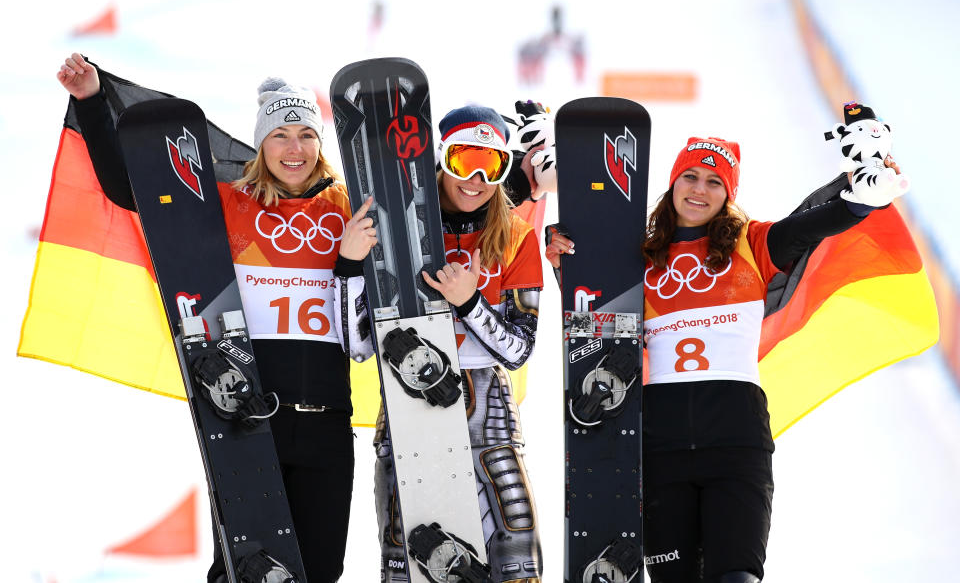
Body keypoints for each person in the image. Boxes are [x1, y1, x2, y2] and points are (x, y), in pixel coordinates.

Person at [57, 53, 376, 583]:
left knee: (321, 571)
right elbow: (130, 189)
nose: (293, 149)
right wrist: (91, 102)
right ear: (261, 143)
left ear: (320, 143)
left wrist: (535, 189)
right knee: (242, 570)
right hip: (248, 420)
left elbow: (444, 211)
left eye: (305, 135)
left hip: (326, 424)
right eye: (279, 135)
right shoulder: (230, 203)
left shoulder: (351, 208)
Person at [547, 134, 907, 583]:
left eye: (715, 182)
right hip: (662, 443)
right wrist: (568, 264)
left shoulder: (754, 244)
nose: (700, 190)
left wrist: (858, 202)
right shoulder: (638, 256)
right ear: (673, 182)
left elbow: (814, 225)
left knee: (735, 577)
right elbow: (598, 315)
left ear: (729, 194)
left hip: (736, 439)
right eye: (691, 177)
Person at [348, 105, 547, 581]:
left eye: (492, 165)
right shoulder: (396, 226)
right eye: (464, 160)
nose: (476, 178)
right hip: (405, 396)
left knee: (514, 558)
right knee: (410, 559)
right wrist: (348, 265)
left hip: (487, 403)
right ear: (440, 158)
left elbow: (519, 351)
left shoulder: (516, 236)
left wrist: (469, 302)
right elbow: (358, 345)